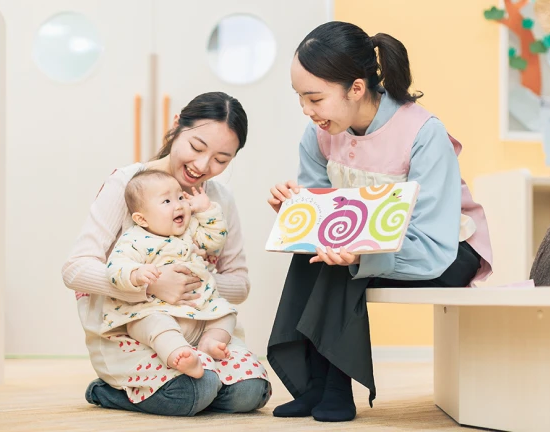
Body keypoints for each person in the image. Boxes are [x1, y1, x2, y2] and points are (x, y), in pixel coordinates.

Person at [267, 21, 493, 423]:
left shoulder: (423, 133)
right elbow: (325, 218)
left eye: (314, 98)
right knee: (317, 256)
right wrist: (297, 211)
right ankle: (313, 386)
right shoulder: (318, 134)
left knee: (340, 265)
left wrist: (360, 255)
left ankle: (334, 389)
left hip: (445, 251)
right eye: (300, 98)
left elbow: (434, 243)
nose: (306, 110)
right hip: (371, 246)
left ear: (356, 88)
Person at [62, 92, 271, 416]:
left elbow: (240, 284)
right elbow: (75, 269)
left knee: (251, 393)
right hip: (137, 326)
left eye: (221, 159)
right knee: (194, 390)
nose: (202, 166)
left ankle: (189, 388)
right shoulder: (128, 184)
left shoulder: (218, 201)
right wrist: (151, 285)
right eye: (197, 147)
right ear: (176, 126)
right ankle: (109, 391)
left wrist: (192, 280)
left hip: (201, 325)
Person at [103, 169, 237, 379]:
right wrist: (136, 273)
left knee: (226, 312)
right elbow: (115, 267)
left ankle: (210, 341)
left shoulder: (190, 229)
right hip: (152, 311)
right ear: (142, 219)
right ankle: (179, 354)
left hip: (199, 311)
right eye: (166, 201)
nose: (179, 205)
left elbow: (215, 240)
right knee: (156, 325)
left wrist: (207, 211)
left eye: (181, 197)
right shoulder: (134, 240)